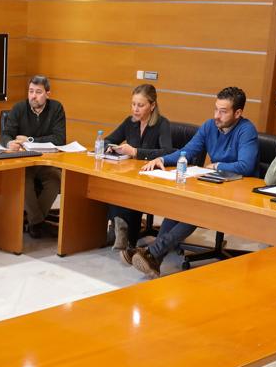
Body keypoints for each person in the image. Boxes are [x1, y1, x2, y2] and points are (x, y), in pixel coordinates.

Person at [131, 86, 258, 277]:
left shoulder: (246, 130)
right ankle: (154, 254)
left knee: (196, 211)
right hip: (213, 185)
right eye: (216, 109)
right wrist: (163, 160)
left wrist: (216, 166)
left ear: (238, 113)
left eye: (223, 112)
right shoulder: (209, 126)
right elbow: (188, 151)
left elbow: (246, 165)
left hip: (238, 191)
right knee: (182, 204)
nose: (217, 115)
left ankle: (154, 252)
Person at [103, 83, 174, 250]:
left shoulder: (162, 124)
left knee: (132, 192)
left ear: (152, 105)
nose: (135, 109)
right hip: (131, 173)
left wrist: (136, 151)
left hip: (152, 176)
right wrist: (109, 146)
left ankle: (125, 234)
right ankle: (121, 230)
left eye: (140, 105)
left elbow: (167, 151)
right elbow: (109, 138)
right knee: (110, 184)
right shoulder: (130, 122)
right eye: (133, 104)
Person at [0, 75, 67, 237]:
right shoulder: (19, 108)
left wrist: (30, 140)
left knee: (56, 179)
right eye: (31, 91)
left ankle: (34, 221)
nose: (33, 96)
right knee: (24, 180)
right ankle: (37, 223)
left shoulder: (56, 108)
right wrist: (9, 143)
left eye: (38, 92)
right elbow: (5, 135)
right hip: (23, 162)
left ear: (47, 94)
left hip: (46, 162)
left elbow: (59, 139)